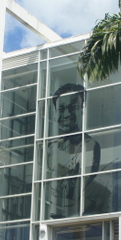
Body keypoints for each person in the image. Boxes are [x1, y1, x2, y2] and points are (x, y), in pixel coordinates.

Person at [45, 84, 101, 219]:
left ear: (82, 110)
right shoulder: (51, 146)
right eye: (61, 109)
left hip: (78, 215)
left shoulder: (90, 145)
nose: (66, 114)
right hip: (52, 213)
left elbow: (81, 186)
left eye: (72, 108)